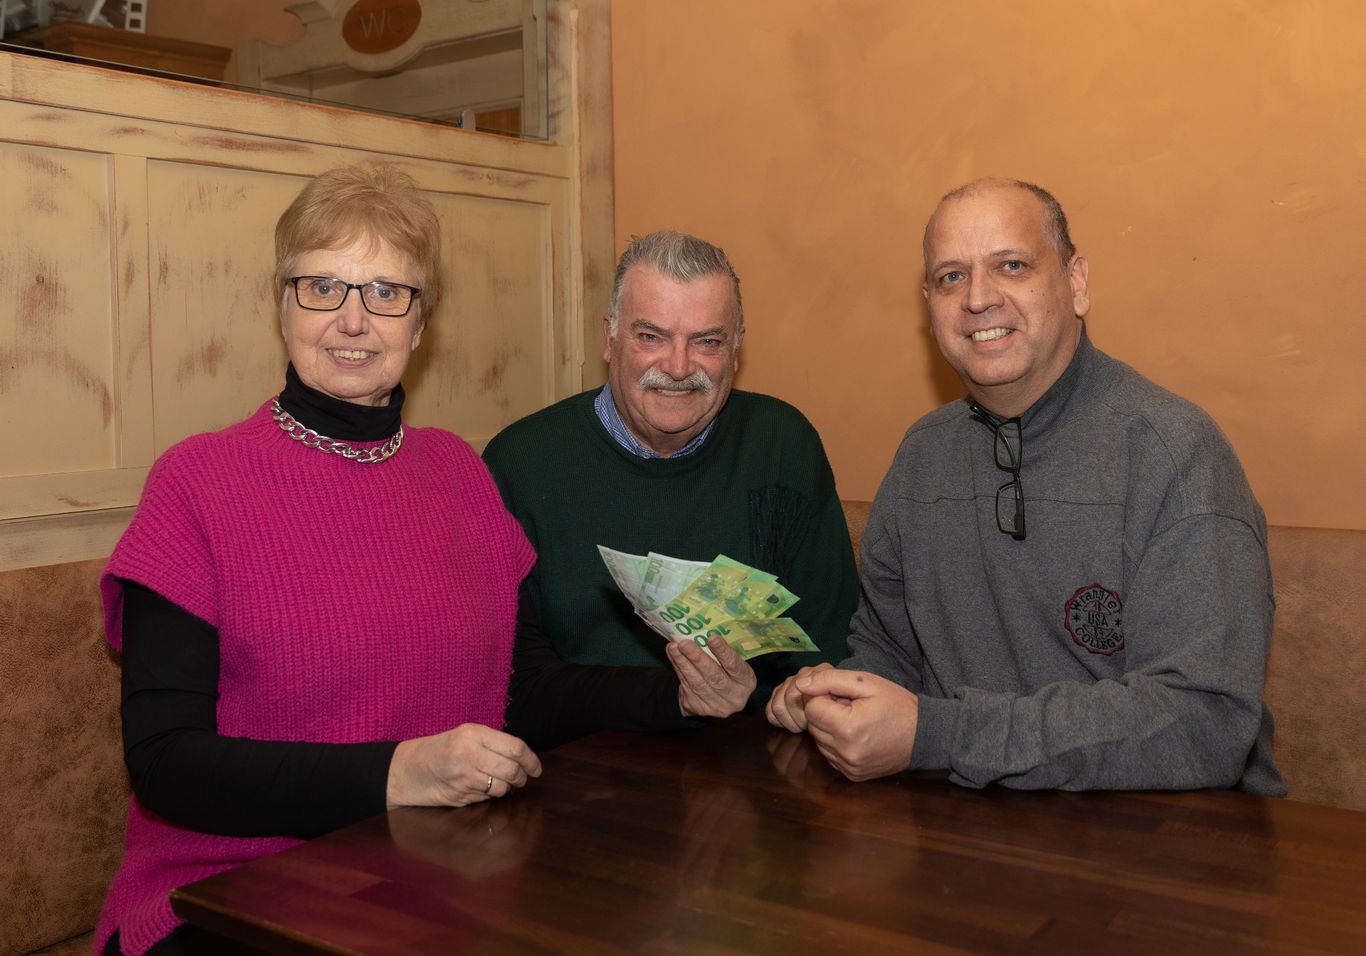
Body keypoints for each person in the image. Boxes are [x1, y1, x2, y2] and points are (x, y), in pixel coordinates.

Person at [95, 162, 543, 956]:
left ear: (420, 321)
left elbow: (530, 691)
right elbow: (166, 764)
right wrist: (398, 776)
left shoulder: (462, 474)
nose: (352, 320)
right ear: (281, 307)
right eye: (321, 287)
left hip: (438, 875)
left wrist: (679, 690)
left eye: (385, 292)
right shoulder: (197, 482)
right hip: (228, 894)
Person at [767, 179, 1286, 795]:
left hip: (1165, 848)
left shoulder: (1175, 455)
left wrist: (939, 734)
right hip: (966, 844)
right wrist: (832, 698)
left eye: (1010, 266)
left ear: (1076, 282)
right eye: (951, 277)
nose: (979, 299)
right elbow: (888, 655)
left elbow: (1205, 725)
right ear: (928, 303)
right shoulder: (921, 457)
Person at [483, 230, 858, 750]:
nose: (679, 369)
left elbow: (831, 644)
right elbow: (513, 689)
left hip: (756, 771)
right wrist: (675, 695)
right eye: (651, 337)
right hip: (580, 779)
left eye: (707, 341)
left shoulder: (781, 443)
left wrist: (804, 698)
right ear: (610, 337)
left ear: (737, 345)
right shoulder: (521, 463)